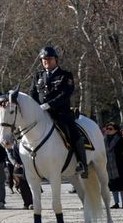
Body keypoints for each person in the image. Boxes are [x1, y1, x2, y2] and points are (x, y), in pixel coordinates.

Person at [32, 45, 87, 178]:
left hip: (61, 113)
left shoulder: (65, 75)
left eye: (50, 59)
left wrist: (48, 105)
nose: (47, 61)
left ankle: (82, 163)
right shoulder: (38, 75)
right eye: (44, 59)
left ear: (56, 60)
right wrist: (36, 107)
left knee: (73, 133)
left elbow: (65, 94)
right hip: (41, 114)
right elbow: (32, 93)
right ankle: (21, 164)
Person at [104, 123, 123, 208]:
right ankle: (116, 203)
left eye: (110, 129)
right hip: (109, 166)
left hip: (119, 166)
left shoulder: (121, 139)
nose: (107, 130)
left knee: (121, 185)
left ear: (116, 130)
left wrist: (122, 160)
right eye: (107, 128)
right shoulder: (104, 140)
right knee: (113, 186)